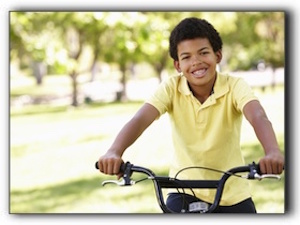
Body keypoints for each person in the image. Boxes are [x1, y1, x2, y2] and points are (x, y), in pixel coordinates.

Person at [97, 17, 284, 213]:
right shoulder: (171, 88)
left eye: (203, 53)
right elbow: (140, 120)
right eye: (186, 57)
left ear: (218, 55)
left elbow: (257, 116)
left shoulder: (234, 86)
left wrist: (272, 151)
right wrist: (114, 152)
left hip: (233, 192)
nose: (196, 62)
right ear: (177, 65)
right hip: (182, 189)